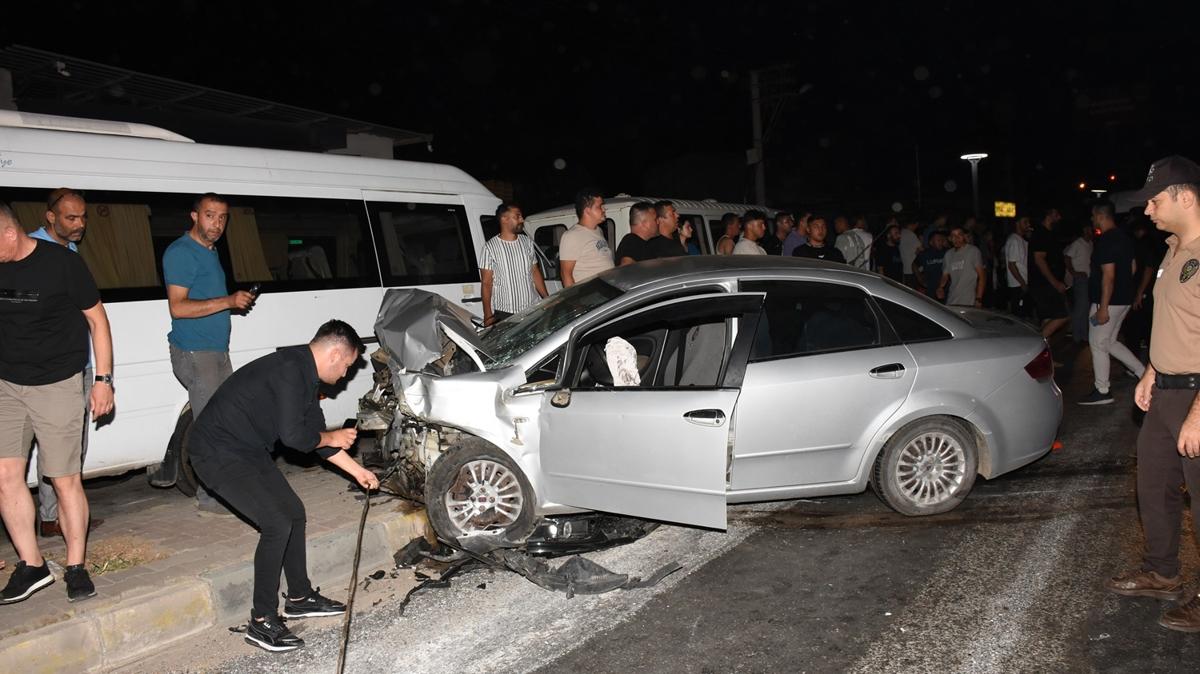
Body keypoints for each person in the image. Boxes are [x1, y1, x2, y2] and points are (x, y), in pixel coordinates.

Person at [187, 320, 378, 652]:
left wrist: (357, 471)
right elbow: (295, 438)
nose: (346, 375)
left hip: (246, 450)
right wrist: (333, 436)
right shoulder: (291, 370)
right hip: (215, 452)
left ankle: (300, 597)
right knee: (276, 522)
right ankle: (261, 621)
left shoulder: (304, 374)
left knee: (293, 513)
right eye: (347, 366)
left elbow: (315, 438)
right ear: (335, 353)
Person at [0, 202, 114, 604]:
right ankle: (32, 567)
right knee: (5, 475)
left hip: (59, 383)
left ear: (9, 233)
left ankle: (76, 565)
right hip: (6, 385)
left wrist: (102, 380)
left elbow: (98, 321)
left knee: (63, 479)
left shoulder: (62, 264)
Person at [1106, 155, 1200, 633]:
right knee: (1154, 484)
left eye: (1154, 201)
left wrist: (1199, 414)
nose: (1147, 210)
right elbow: (1175, 324)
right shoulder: (1173, 249)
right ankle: (1163, 573)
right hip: (1164, 389)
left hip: (1196, 395)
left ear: (1185, 196)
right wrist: (1149, 371)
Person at [162, 193, 256, 513]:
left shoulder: (210, 252)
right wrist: (229, 302)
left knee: (225, 421)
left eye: (222, 218)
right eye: (209, 215)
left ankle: (220, 489)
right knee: (210, 426)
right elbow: (178, 307)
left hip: (215, 350)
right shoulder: (181, 253)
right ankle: (208, 496)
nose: (216, 224)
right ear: (194, 216)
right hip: (195, 351)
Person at [27, 188, 103, 538]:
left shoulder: (69, 251)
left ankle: (60, 515)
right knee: (53, 445)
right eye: (72, 218)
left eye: (83, 217)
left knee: (71, 446)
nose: (80, 224)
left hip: (77, 363)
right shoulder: (29, 250)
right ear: (51, 217)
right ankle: (53, 516)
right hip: (42, 371)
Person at [1080, 201, 1144, 405]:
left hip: (1108, 301)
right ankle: (1142, 371)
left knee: (1098, 344)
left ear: (1100, 216)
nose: (1091, 220)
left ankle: (1102, 390)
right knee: (1109, 342)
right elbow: (1133, 267)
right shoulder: (1125, 238)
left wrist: (1104, 308)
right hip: (1124, 299)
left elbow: (1108, 276)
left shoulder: (1106, 241)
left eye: (1092, 215)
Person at [1027, 208, 1070, 339]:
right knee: (1063, 315)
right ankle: (1035, 345)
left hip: (1045, 284)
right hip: (1044, 285)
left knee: (1048, 319)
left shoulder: (1048, 234)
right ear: (1049, 215)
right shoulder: (1041, 234)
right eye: (1057, 214)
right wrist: (1055, 282)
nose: (1059, 217)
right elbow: (1039, 259)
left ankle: (1043, 354)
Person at [559, 189, 614, 286]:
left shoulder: (599, 230)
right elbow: (565, 274)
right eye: (599, 206)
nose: (604, 209)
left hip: (606, 293)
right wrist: (575, 300)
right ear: (587, 211)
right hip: (589, 297)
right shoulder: (572, 236)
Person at [936, 226, 985, 308]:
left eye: (959, 235)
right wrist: (940, 287)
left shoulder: (973, 251)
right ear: (950, 238)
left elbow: (982, 276)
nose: (956, 238)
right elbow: (945, 275)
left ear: (964, 236)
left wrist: (979, 298)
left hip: (969, 301)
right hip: (951, 300)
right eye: (953, 236)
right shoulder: (948, 254)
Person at [1064, 222, 1095, 344]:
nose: (1089, 231)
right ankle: (1077, 336)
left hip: (1089, 279)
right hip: (1081, 279)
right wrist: (1074, 272)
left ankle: (1083, 336)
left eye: (1090, 229)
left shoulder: (1091, 243)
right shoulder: (1077, 243)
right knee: (1080, 308)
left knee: (1085, 308)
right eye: (1087, 229)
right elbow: (1067, 257)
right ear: (1083, 230)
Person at [1004, 217, 1032, 316]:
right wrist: (1022, 283)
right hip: (1018, 285)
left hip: (1023, 283)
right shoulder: (1014, 240)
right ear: (1017, 224)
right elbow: (1011, 265)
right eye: (1025, 222)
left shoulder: (1023, 241)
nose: (1028, 224)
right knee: (1019, 315)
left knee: (1025, 313)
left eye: (1028, 222)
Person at [915, 230, 949, 299]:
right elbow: (914, 265)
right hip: (930, 290)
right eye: (938, 240)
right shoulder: (924, 254)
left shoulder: (947, 253)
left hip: (945, 289)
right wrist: (920, 279)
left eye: (942, 240)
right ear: (931, 242)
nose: (941, 242)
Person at [899, 217, 923, 288]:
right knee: (914, 292)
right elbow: (921, 249)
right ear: (915, 224)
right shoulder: (910, 234)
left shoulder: (901, 233)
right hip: (913, 269)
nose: (916, 228)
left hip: (905, 268)